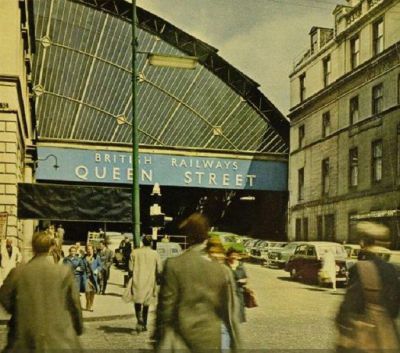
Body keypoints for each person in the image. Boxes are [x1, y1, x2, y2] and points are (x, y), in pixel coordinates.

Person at [155, 213, 240, 352]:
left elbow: (165, 311)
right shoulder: (222, 270)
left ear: (187, 237)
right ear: (206, 236)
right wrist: (236, 346)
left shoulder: (174, 265)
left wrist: (158, 344)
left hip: (182, 342)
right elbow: (230, 314)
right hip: (212, 341)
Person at [0, 231, 83, 352]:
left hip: (24, 339)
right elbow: (74, 304)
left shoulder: (18, 272)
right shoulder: (63, 272)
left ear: (33, 247)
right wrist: (78, 327)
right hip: (59, 340)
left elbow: (4, 297)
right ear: (51, 248)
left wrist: (19, 309)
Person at [336, 222, 400, 352]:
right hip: (386, 338)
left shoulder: (360, 268)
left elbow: (349, 307)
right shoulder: (392, 270)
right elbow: (394, 310)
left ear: (362, 242)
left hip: (362, 341)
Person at [129, 235, 162, 333]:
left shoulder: (134, 252)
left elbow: (130, 269)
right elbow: (159, 269)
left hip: (137, 280)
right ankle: (144, 324)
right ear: (151, 243)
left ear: (142, 242)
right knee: (146, 304)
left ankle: (140, 320)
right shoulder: (155, 254)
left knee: (137, 302)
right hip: (149, 281)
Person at [226, 248, 247, 323]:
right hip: (227, 290)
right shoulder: (225, 265)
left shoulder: (241, 265)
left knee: (239, 307)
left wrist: (244, 281)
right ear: (228, 256)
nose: (234, 257)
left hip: (239, 289)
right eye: (232, 255)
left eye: (235, 255)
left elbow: (245, 277)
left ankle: (237, 323)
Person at [82, 244, 102, 311]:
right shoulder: (83, 258)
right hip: (86, 277)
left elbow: (100, 266)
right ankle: (88, 303)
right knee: (87, 291)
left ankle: (91, 304)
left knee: (93, 292)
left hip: (94, 277)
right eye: (88, 249)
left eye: (90, 249)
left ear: (93, 250)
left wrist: (96, 270)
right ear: (86, 250)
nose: (89, 251)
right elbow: (81, 266)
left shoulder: (97, 257)